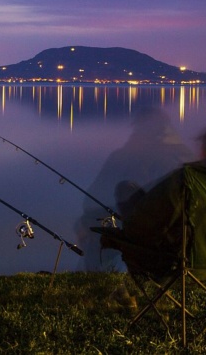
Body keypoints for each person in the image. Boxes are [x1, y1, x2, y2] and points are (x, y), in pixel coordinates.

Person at [103, 125, 206, 276]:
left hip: (182, 261)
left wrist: (123, 233)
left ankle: (126, 277)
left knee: (126, 190)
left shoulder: (190, 178)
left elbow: (149, 215)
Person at [75, 107, 194, 271]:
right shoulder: (188, 159)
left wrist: (85, 222)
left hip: (147, 235)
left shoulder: (124, 158)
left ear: (139, 130)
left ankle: (97, 274)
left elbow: (92, 200)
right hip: (187, 238)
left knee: (93, 226)